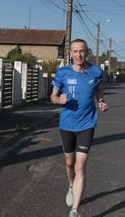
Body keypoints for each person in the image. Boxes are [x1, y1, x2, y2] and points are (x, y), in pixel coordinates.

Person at [50, 39, 108, 217]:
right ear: (71, 53)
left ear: (87, 52)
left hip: (87, 124)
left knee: (80, 166)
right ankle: (70, 185)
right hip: (67, 124)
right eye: (75, 51)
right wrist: (58, 100)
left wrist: (101, 101)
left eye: (81, 51)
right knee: (69, 163)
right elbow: (53, 96)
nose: (78, 55)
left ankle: (75, 210)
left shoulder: (96, 72)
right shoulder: (63, 73)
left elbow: (98, 90)